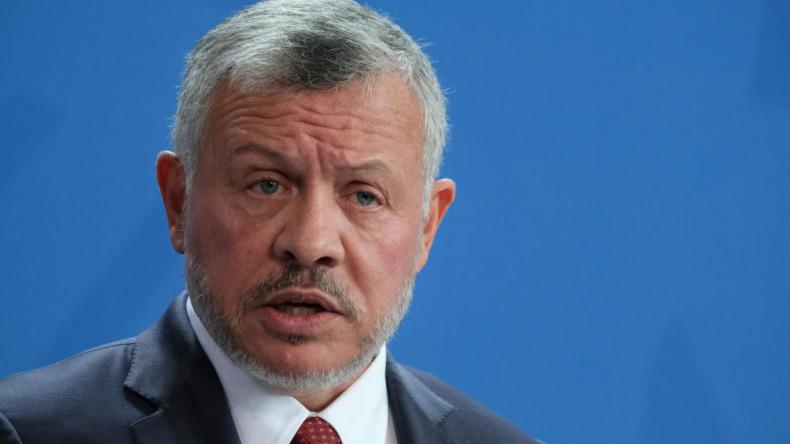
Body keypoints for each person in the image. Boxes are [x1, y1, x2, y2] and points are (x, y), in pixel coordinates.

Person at [0, 1, 541, 443]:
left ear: (426, 226)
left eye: (364, 196)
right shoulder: (27, 430)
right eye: (266, 185)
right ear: (179, 202)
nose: (310, 242)